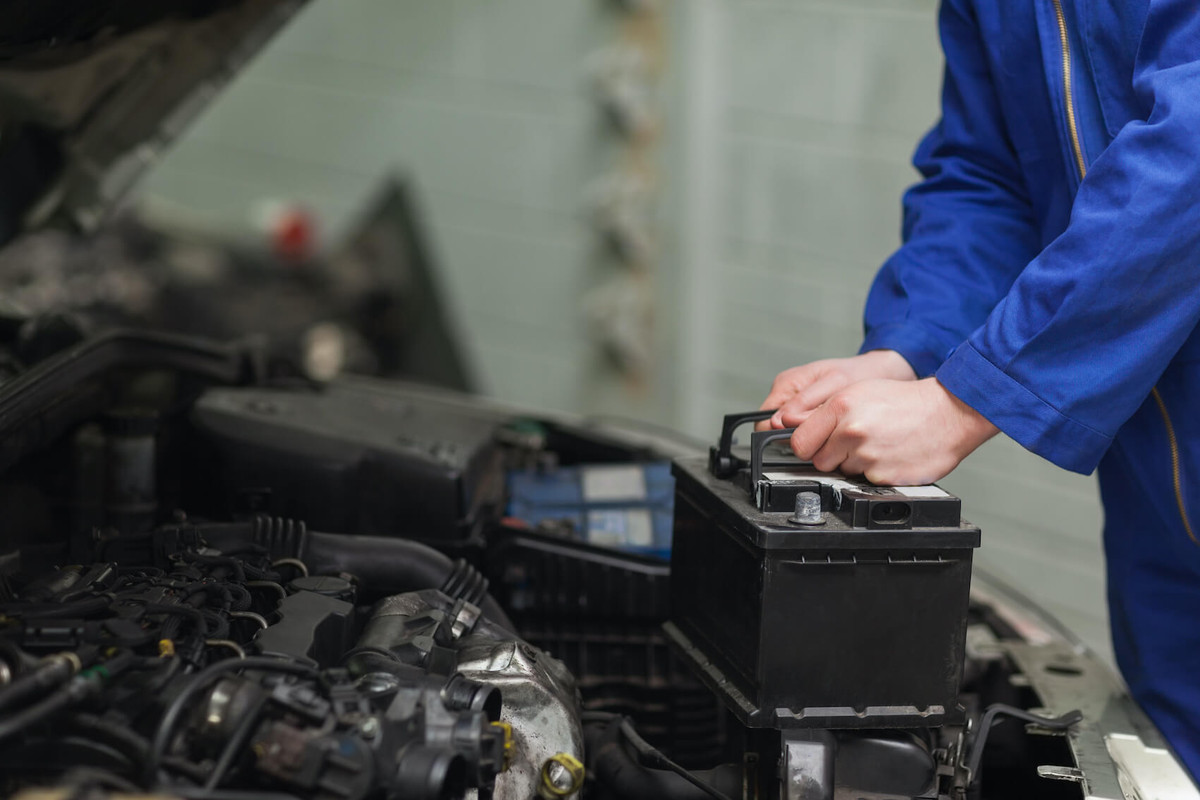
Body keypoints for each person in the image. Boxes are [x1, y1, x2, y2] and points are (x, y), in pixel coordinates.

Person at [758, 0, 1200, 780]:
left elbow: (1190, 154)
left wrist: (962, 401)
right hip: (1164, 518)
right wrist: (908, 351)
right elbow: (989, 178)